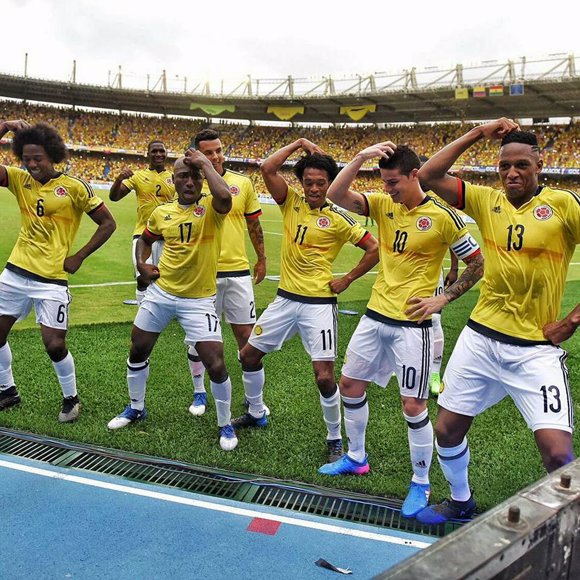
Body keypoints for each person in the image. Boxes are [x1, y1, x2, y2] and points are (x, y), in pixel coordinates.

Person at [415, 118, 580, 524]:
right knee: (447, 430)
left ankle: (568, 532)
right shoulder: (486, 201)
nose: (511, 173)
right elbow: (429, 175)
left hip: (535, 349)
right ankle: (460, 501)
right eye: (505, 165)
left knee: (559, 454)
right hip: (480, 338)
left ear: (539, 165)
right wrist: (476, 134)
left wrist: (573, 320)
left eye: (522, 164)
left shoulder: (564, 204)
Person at [318, 143, 483, 520]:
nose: (388, 189)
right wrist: (359, 157)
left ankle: (420, 482)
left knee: (413, 405)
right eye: (384, 182)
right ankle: (357, 457)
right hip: (375, 316)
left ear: (413, 175)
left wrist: (445, 299)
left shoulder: (444, 217)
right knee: (349, 386)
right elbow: (335, 194)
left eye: (394, 182)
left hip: (414, 327)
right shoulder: (383, 205)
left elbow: (478, 262)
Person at [233, 139, 379, 464]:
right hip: (285, 300)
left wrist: (347, 279)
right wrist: (299, 143)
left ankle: (334, 438)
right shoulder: (290, 202)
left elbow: (375, 249)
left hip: (319, 305)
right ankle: (256, 412)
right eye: (309, 182)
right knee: (248, 356)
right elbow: (267, 168)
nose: (314, 188)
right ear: (302, 183)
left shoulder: (340, 218)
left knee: (324, 376)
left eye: (321, 183)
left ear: (329, 183)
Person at [107, 151, 240, 451]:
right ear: (174, 180)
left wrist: (204, 164)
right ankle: (136, 407)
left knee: (216, 363)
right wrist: (142, 264)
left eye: (195, 176)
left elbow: (226, 198)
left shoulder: (211, 207)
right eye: (183, 176)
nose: (189, 181)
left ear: (202, 178)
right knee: (138, 347)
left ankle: (225, 423)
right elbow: (145, 239)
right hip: (162, 293)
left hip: (199, 300)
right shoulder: (162, 212)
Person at [0, 120, 116, 422]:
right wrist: (3, 126)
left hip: (51, 279)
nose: (32, 163)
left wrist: (79, 255)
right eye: (26, 158)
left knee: (54, 344)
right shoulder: (18, 179)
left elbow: (108, 223)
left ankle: (71, 398)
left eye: (38, 158)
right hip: (15, 272)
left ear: (53, 156)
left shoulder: (76, 188)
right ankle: (7, 391)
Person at [185, 129, 266, 417]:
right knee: (200, 339)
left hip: (238, 273)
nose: (216, 156)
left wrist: (261, 258)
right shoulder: (192, 184)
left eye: (218, 150)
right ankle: (199, 392)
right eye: (208, 152)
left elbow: (254, 225)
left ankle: (254, 401)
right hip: (203, 274)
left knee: (247, 339)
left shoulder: (242, 183)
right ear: (196, 154)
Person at [109, 140, 175, 305]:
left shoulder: (174, 178)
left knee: (165, 279)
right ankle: (142, 310)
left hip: (167, 237)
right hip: (143, 235)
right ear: (148, 154)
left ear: (166, 153)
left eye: (161, 151)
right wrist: (118, 180)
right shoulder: (138, 176)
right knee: (143, 278)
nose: (158, 154)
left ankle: (164, 310)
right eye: (154, 151)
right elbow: (114, 197)